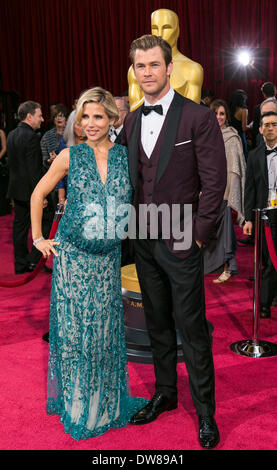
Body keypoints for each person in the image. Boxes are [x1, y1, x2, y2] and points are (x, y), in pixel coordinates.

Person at [121, 34, 226, 449]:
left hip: (183, 234)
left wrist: (199, 237)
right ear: (135, 71)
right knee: (157, 321)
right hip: (143, 235)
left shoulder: (197, 117)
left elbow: (214, 183)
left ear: (169, 68)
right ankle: (165, 392)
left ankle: (205, 412)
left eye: (153, 65)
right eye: (140, 66)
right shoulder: (130, 119)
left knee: (193, 328)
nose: (147, 72)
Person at [30, 87, 147, 440]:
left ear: (112, 119)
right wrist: (38, 238)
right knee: (79, 335)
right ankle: (82, 407)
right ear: (78, 122)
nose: (91, 123)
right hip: (73, 262)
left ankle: (107, 404)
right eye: (85, 117)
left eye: (99, 116)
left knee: (107, 332)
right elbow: (38, 193)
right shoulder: (69, 156)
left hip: (109, 259)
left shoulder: (127, 157)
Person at [6, 101, 54, 274]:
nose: (42, 120)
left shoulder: (11, 134)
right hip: (30, 191)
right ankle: (33, 261)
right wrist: (40, 196)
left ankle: (20, 265)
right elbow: (33, 170)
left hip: (15, 189)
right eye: (39, 115)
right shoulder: (32, 137)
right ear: (29, 116)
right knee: (48, 222)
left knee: (20, 227)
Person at [128, 9, 203, 111]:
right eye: (155, 28)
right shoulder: (135, 69)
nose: (159, 34)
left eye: (166, 28)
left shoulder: (192, 69)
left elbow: (193, 114)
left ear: (177, 30)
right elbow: (133, 110)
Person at [204, 100, 246, 283]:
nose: (219, 117)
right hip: (207, 191)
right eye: (215, 113)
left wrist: (230, 194)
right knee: (208, 231)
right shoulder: (205, 135)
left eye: (222, 114)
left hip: (225, 193)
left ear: (226, 116)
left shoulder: (231, 137)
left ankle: (229, 268)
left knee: (226, 231)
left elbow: (235, 169)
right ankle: (219, 266)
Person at [243, 111, 277, 319]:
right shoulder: (254, 155)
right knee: (269, 260)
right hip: (264, 214)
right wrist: (248, 218)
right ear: (261, 129)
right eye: (267, 125)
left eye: (274, 124)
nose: (271, 128)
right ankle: (264, 303)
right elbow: (250, 189)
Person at [40, 103, 68, 170]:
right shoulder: (47, 136)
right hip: (54, 172)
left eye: (61, 116)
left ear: (66, 118)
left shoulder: (72, 133)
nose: (59, 118)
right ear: (53, 119)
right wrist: (50, 160)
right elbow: (44, 159)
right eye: (56, 116)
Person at [252, 82, 276, 148]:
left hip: (262, 143)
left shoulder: (258, 108)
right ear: (275, 92)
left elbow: (255, 130)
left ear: (264, 94)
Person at [229, 89, 248, 159]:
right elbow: (244, 128)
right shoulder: (244, 110)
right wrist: (251, 126)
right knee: (242, 159)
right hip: (240, 137)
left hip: (230, 137)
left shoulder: (230, 109)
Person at [0, 127, 11, 215]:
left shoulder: (1, 132)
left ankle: (3, 209)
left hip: (1, 164)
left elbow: (4, 148)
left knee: (2, 188)